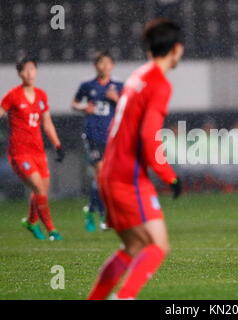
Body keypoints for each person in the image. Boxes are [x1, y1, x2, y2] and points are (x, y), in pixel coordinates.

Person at [87, 18, 184, 300]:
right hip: (127, 178)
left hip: (109, 172)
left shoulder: (137, 75)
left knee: (133, 248)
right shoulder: (159, 83)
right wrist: (169, 176)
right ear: (176, 49)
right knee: (157, 246)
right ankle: (124, 297)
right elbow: (149, 135)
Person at [0, 57, 65, 240]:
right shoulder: (12, 95)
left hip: (38, 151)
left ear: (36, 71)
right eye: (25, 70)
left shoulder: (41, 95)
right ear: (20, 74)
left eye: (32, 69)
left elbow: (47, 122)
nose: (29, 73)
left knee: (42, 190)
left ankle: (30, 221)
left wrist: (57, 144)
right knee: (38, 188)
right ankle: (52, 230)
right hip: (19, 153)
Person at [71, 51, 123, 232]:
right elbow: (74, 103)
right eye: (101, 63)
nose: (105, 66)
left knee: (106, 179)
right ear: (96, 66)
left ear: (112, 66)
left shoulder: (118, 86)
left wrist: (117, 100)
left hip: (112, 137)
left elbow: (128, 107)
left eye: (108, 63)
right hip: (92, 135)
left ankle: (90, 209)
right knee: (101, 176)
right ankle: (104, 216)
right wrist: (84, 107)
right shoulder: (87, 86)